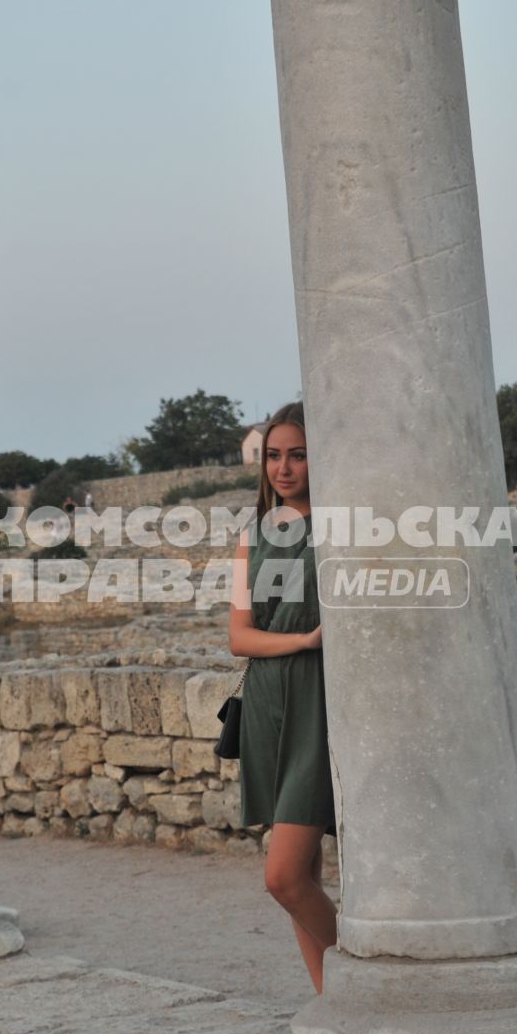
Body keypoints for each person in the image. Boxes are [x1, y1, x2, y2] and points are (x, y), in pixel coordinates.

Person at [227, 401, 334, 994]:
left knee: (284, 877)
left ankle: (377, 983)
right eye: (274, 456)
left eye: (297, 454)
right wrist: (303, 639)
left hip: (319, 704)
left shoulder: (342, 529)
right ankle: (332, 999)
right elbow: (239, 637)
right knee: (304, 876)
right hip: (270, 703)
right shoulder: (257, 537)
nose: (283, 468)